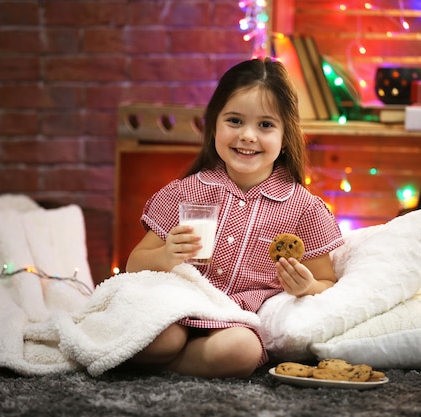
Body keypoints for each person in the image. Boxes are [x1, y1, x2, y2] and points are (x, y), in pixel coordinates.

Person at [126, 57, 343, 378]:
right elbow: (134, 264)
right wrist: (166, 254)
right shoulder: (186, 192)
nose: (248, 136)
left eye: (266, 125)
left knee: (242, 351)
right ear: (214, 125)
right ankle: (162, 353)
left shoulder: (303, 208)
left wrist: (307, 286)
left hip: (234, 321)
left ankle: (169, 365)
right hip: (177, 305)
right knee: (162, 337)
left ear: (286, 137)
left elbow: (328, 283)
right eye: (235, 121)